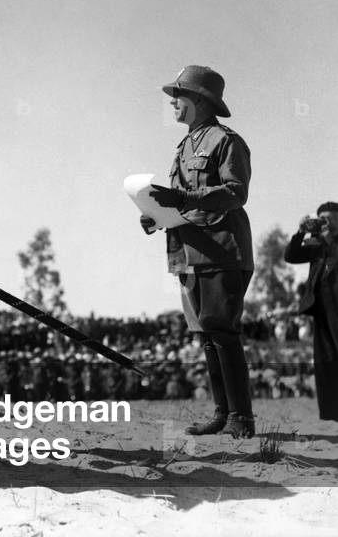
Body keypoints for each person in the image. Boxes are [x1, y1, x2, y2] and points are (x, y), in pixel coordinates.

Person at [141, 65, 255, 438]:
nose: (173, 102)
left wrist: (183, 197)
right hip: (189, 250)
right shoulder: (184, 146)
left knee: (222, 331)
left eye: (180, 95)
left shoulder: (226, 141)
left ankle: (241, 417)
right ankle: (223, 413)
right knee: (206, 335)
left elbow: (236, 193)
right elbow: (182, 203)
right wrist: (158, 217)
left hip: (222, 248)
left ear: (202, 101)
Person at [283, 203, 338, 421]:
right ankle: (331, 414)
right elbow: (291, 255)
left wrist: (329, 238)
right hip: (321, 310)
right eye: (321, 218)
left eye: (329, 218)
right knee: (326, 362)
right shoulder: (317, 243)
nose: (324, 222)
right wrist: (301, 231)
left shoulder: (331, 242)